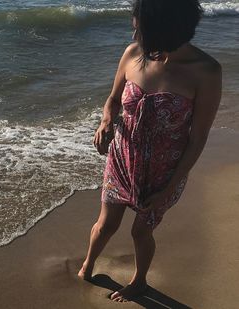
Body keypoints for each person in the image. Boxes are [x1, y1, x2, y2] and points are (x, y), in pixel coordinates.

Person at [77, 0, 222, 302]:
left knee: (140, 232)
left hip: (165, 171)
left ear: (163, 26)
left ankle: (139, 281)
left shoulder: (206, 72)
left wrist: (169, 187)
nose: (133, 28)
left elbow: (197, 139)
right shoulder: (133, 55)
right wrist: (105, 122)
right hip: (122, 158)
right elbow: (113, 100)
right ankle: (87, 266)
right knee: (106, 224)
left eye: (139, 22)